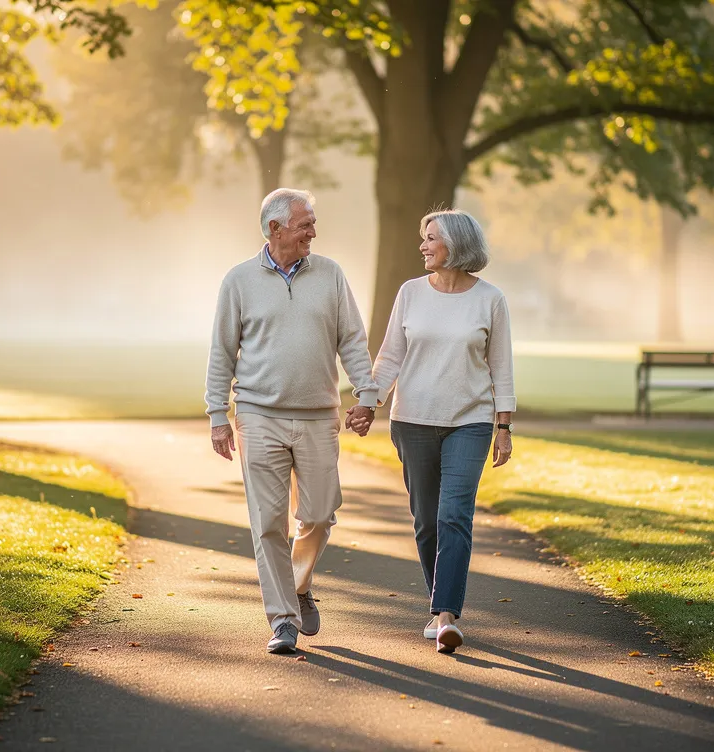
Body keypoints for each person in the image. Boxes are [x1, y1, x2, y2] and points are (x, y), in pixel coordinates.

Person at [205, 188, 377, 654]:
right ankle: (282, 619)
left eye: (313, 223)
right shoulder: (239, 281)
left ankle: (299, 586)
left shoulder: (331, 275)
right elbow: (222, 352)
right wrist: (218, 415)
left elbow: (353, 341)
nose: (313, 232)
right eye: (305, 224)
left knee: (320, 514)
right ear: (274, 228)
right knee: (268, 523)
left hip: (319, 415)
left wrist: (367, 393)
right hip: (259, 415)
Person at [366, 208, 515, 655]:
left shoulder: (490, 299)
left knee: (454, 515)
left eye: (431, 238)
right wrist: (368, 401)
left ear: (457, 244)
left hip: (469, 422)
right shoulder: (410, 293)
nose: (423, 245)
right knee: (427, 521)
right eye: (422, 237)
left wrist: (503, 426)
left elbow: (501, 367)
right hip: (411, 421)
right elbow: (390, 356)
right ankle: (438, 605)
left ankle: (446, 614)